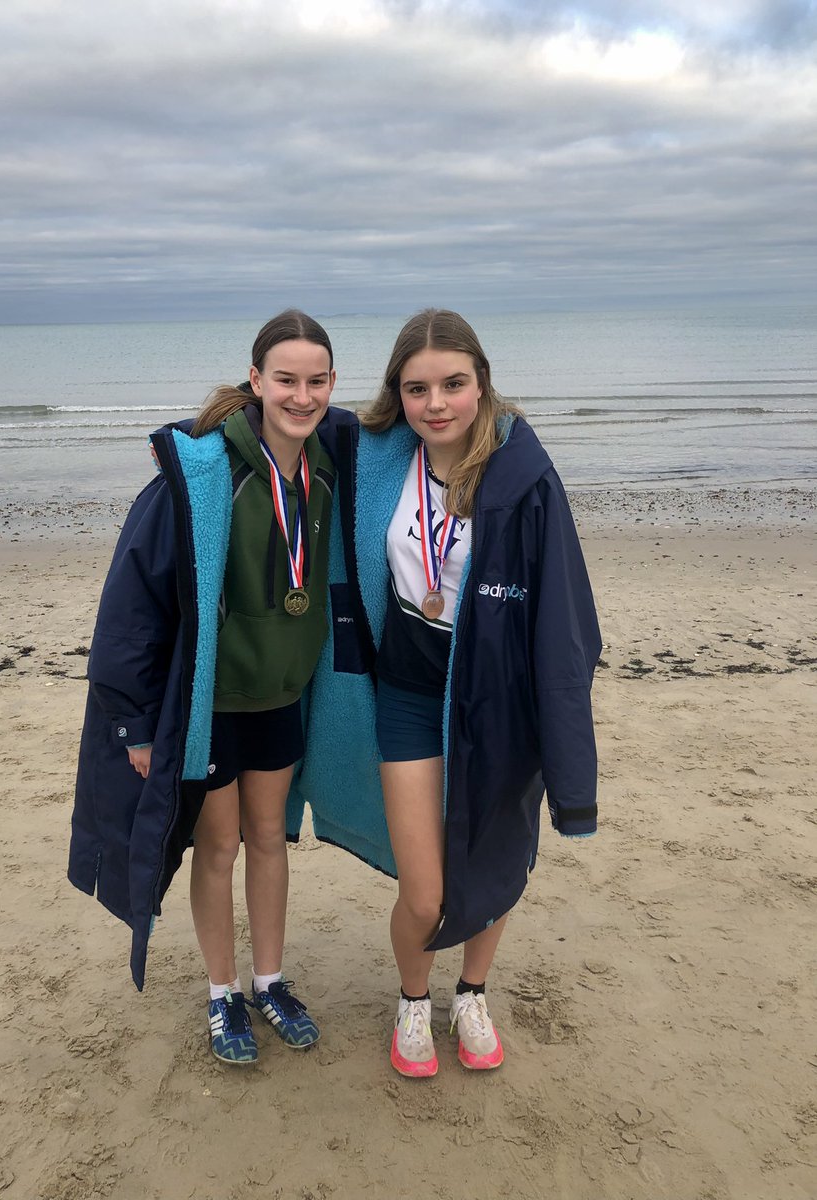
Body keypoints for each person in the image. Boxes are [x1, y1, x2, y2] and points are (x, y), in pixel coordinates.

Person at [298, 309, 601, 1078]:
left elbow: (565, 616)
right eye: (417, 388)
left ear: (481, 383)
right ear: (397, 395)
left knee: (493, 871)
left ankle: (470, 992)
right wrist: (216, 418)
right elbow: (286, 413)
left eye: (453, 384)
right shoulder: (375, 455)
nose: (437, 404)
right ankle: (411, 999)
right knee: (427, 893)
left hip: (495, 705)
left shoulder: (523, 479)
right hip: (405, 696)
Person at [69, 310, 357, 1066]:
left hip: (284, 695)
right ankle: (222, 992)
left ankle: (269, 978)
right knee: (219, 846)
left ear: (333, 384)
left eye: (317, 380)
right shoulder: (204, 474)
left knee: (270, 839)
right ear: (256, 379)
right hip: (209, 707)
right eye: (285, 379)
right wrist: (134, 724)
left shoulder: (331, 463)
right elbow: (132, 602)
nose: (302, 395)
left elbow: (417, 430)